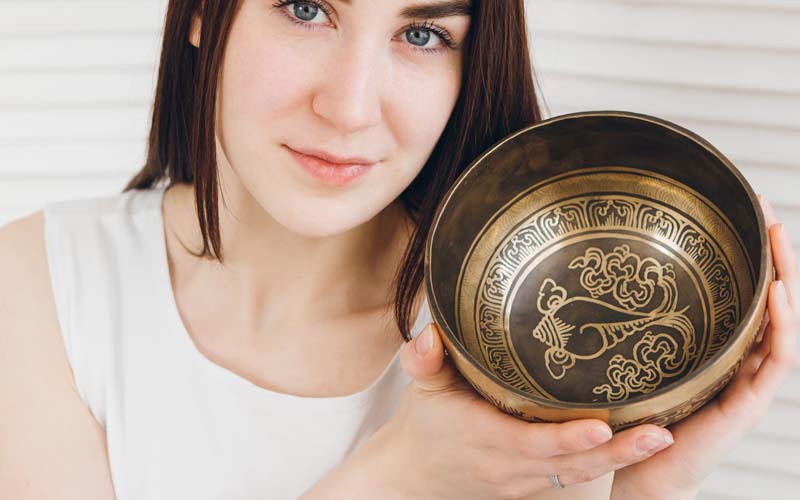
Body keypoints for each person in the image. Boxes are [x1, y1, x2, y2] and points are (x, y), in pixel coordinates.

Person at [1, 0, 796, 499]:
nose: (348, 107)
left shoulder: (521, 356)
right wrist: (401, 478)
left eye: (422, 33)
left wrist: (641, 494)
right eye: (307, 9)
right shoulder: (38, 293)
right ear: (205, 12)